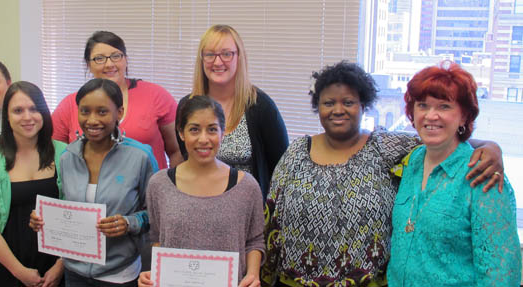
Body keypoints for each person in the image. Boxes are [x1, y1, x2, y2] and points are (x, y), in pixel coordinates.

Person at [262, 61, 505, 287]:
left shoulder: (386, 147)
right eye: (328, 103)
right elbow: (271, 219)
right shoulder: (297, 152)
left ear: (363, 106)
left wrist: (491, 147)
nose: (338, 110)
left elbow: (442, 139)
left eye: (348, 102)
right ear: (318, 107)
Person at [387, 62, 521, 286]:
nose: (431, 116)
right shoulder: (412, 162)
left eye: (444, 107)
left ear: (464, 116)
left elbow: (501, 274)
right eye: (422, 105)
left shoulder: (482, 174)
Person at [32, 78, 157, 287]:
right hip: (75, 271)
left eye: (102, 112)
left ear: (119, 112)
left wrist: (129, 223)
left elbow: (156, 214)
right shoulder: (67, 156)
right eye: (85, 111)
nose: (92, 120)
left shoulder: (140, 156)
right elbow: (66, 207)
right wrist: (44, 220)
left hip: (119, 273)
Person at [139, 95, 264, 287]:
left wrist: (253, 274)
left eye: (212, 129)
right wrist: (154, 274)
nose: (203, 139)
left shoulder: (247, 187)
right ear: (181, 133)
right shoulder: (159, 184)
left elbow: (255, 241)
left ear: (223, 133)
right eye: (194, 129)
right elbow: (157, 239)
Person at [177, 24, 288, 199]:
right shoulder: (187, 106)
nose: (217, 62)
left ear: (239, 57)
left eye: (226, 54)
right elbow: (186, 161)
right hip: (198, 205)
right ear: (201, 59)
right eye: (210, 54)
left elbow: (282, 168)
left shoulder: (260, 106)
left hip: (248, 211)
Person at [0, 81, 65, 287]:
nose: (27, 117)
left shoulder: (65, 153)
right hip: (4, 268)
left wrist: (61, 266)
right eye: (18, 110)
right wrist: (19, 271)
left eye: (34, 109)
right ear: (7, 116)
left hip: (55, 268)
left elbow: (76, 214)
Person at [51, 31, 182, 169]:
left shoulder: (156, 96)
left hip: (148, 188)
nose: (109, 64)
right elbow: (54, 153)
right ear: (88, 65)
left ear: (126, 60)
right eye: (99, 58)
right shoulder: (70, 104)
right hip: (88, 188)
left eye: (116, 56)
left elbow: (177, 151)